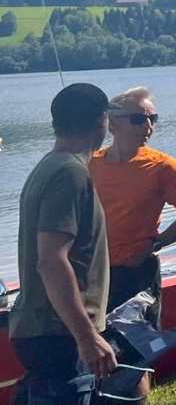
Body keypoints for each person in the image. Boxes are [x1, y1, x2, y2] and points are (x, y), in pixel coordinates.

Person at [90, 86, 176, 403]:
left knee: (135, 354)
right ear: (112, 123)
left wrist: (156, 244)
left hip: (136, 274)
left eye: (153, 118)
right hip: (97, 277)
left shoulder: (162, 166)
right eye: (139, 119)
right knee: (98, 349)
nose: (148, 126)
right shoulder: (90, 163)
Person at [11, 83, 117, 403]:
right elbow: (51, 260)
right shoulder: (69, 173)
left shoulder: (51, 165)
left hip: (49, 329)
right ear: (103, 121)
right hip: (58, 332)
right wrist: (85, 336)